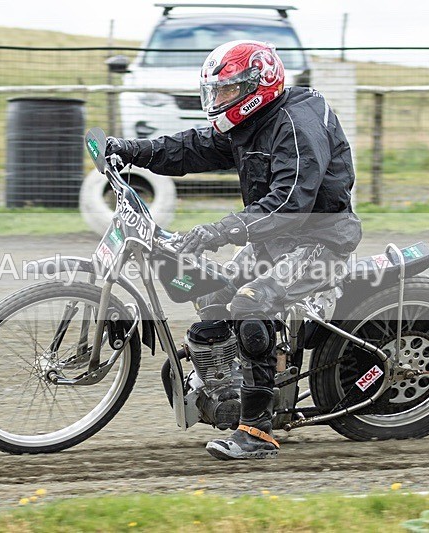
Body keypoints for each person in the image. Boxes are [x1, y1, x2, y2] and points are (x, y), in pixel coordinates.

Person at [106, 40, 361, 460]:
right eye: (217, 91)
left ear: (257, 86)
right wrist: (132, 151)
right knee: (211, 293)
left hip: (319, 240)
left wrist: (216, 232)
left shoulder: (296, 127)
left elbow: (288, 204)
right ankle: (230, 382)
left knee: (249, 305)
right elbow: (192, 147)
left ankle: (258, 431)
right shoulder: (254, 122)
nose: (219, 99)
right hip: (273, 240)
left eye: (227, 91)